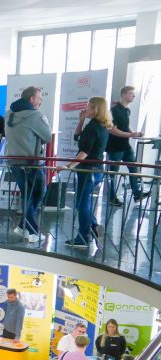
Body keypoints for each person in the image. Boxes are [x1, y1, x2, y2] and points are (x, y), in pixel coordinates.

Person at [59, 96, 112, 248]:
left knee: (82, 203)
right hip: (96, 169)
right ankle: (94, 227)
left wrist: (68, 166)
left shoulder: (93, 128)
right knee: (83, 202)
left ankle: (83, 236)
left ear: (95, 109)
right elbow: (77, 138)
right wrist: (81, 120)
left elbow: (83, 152)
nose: (86, 109)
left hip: (88, 170)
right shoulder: (101, 126)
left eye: (88, 107)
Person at [5, 86, 52, 243]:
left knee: (28, 194)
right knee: (36, 192)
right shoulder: (36, 115)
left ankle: (22, 226)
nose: (40, 101)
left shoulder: (9, 114)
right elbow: (47, 137)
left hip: (13, 161)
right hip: (31, 162)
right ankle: (31, 231)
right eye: (39, 98)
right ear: (31, 99)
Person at [106, 86, 147, 205]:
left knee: (133, 167)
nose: (133, 96)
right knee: (113, 173)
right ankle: (112, 198)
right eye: (131, 93)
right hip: (114, 146)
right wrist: (131, 134)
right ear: (123, 95)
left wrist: (135, 133)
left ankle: (136, 193)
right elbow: (112, 130)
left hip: (125, 145)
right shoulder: (114, 111)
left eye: (133, 94)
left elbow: (126, 126)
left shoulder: (127, 110)